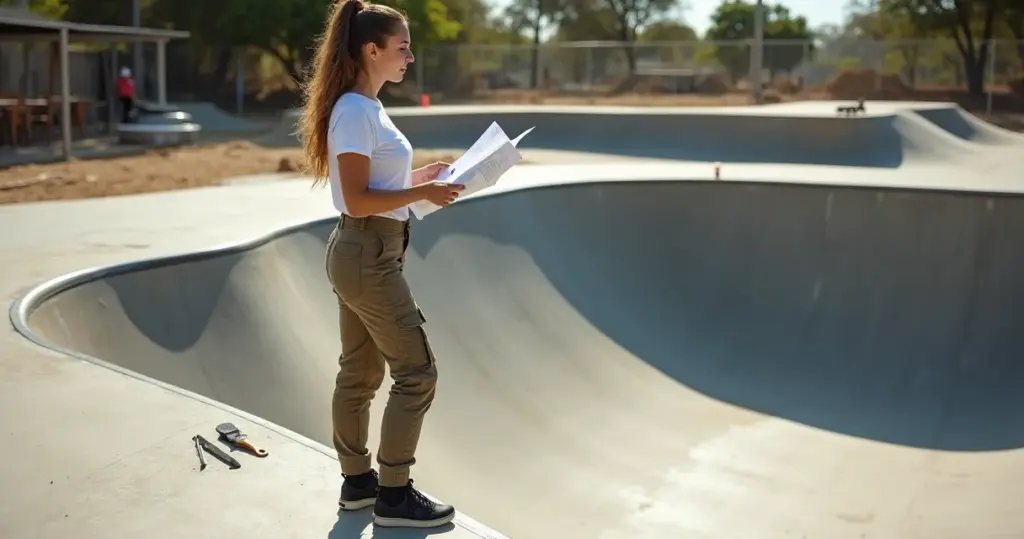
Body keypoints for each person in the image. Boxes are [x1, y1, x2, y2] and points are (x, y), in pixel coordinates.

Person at [296, 0, 465, 530]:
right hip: (367, 254)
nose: (410, 57)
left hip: (367, 252)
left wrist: (421, 178)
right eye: (402, 47)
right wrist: (425, 189)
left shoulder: (367, 108)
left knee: (361, 373)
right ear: (372, 50)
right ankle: (394, 493)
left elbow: (378, 189)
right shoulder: (353, 111)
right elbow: (356, 198)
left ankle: (357, 487)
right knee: (417, 373)